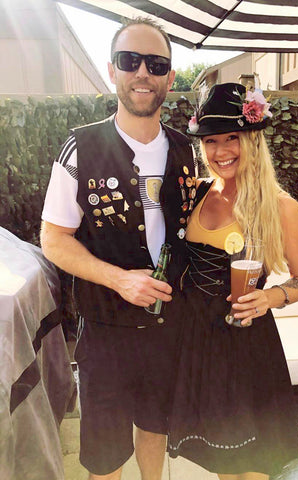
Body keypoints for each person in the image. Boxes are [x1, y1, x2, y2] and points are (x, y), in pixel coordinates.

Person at [40, 17, 196, 480]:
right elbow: (53, 238)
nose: (142, 72)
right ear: (113, 71)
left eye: (156, 63)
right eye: (131, 61)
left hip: (170, 327)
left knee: (155, 433)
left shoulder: (187, 150)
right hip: (105, 333)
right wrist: (119, 278)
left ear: (170, 76)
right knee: (105, 455)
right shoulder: (81, 147)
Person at [167, 83, 298, 479]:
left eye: (233, 137)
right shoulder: (197, 194)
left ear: (253, 138)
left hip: (247, 343)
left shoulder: (282, 207)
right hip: (199, 342)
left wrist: (270, 297)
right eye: (211, 140)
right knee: (222, 463)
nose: (221, 151)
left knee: (252, 467)